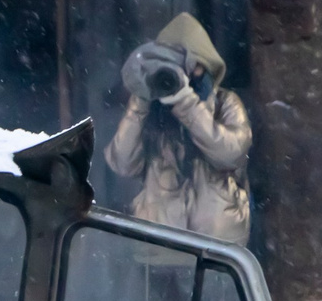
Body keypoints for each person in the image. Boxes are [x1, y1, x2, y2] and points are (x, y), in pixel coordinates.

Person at [103, 12, 251, 243]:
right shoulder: (151, 109)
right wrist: (141, 100)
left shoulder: (225, 103)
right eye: (176, 66)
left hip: (218, 247)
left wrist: (187, 104)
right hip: (160, 243)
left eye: (193, 66)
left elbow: (231, 155)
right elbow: (122, 163)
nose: (186, 75)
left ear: (206, 66)